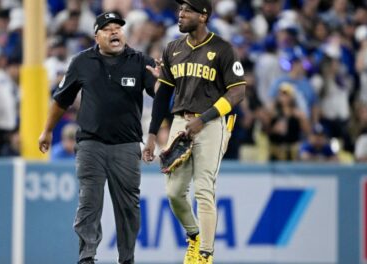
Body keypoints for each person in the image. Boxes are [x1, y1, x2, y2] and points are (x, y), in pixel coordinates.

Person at [38, 11, 156, 264]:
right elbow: (61, 100)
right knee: (89, 202)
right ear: (96, 36)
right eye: (107, 28)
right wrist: (47, 130)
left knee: (128, 207)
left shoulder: (139, 61)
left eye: (118, 28)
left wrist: (164, 82)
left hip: (126, 145)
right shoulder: (82, 62)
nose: (115, 32)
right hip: (91, 144)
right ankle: (87, 257)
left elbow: (157, 91)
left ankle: (127, 258)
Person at [142, 0, 246, 263]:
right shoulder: (172, 49)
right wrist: (152, 136)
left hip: (211, 124)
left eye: (187, 10)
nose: (180, 14)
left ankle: (205, 254)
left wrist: (207, 117)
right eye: (180, 9)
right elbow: (163, 94)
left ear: (203, 16)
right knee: (174, 192)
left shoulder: (222, 49)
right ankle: (194, 235)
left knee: (203, 189)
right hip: (180, 122)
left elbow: (238, 92)